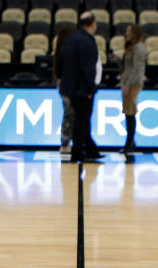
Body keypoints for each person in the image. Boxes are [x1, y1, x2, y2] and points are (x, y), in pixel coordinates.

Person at [60, 11, 101, 162]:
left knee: (79, 120)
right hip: (83, 90)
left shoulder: (72, 39)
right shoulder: (88, 41)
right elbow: (88, 69)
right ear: (92, 24)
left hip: (70, 88)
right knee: (82, 121)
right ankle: (78, 152)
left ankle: (89, 150)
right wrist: (91, 89)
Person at [120, 23, 147, 153]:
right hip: (128, 83)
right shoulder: (132, 47)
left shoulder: (139, 48)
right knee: (127, 113)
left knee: (130, 112)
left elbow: (136, 70)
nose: (126, 34)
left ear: (135, 33)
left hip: (133, 84)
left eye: (129, 31)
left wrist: (128, 84)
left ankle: (129, 143)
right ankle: (130, 141)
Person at [52, 23, 77, 155]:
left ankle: (67, 141)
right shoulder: (66, 51)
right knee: (69, 113)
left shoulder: (61, 50)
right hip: (67, 85)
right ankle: (65, 142)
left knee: (69, 113)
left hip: (63, 84)